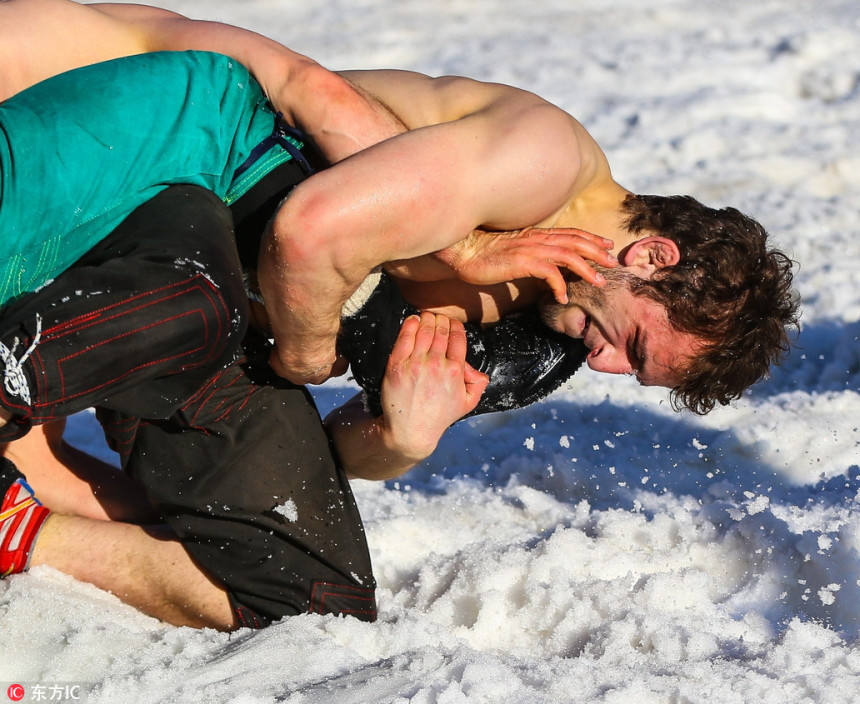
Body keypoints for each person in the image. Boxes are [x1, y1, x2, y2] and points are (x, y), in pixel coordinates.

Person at [0, 1, 799, 628]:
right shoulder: (545, 165)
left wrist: (404, 438)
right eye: (631, 345)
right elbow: (311, 230)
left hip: (200, 270)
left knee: (307, 587)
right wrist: (315, 352)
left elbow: (336, 447)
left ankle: (19, 522)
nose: (606, 368)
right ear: (651, 257)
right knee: (182, 308)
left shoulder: (543, 340)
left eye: (635, 376)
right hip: (126, 130)